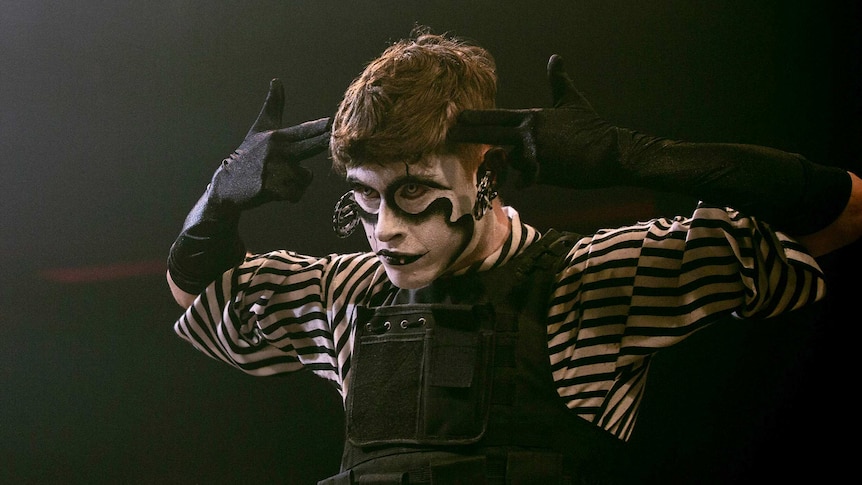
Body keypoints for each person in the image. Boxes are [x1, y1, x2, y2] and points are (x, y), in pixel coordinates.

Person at [166, 29, 862, 484]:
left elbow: (843, 213)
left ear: (485, 171)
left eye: (413, 192)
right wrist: (218, 200)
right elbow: (200, 293)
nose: (383, 230)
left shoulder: (594, 282)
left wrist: (636, 156)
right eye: (367, 198)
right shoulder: (348, 294)